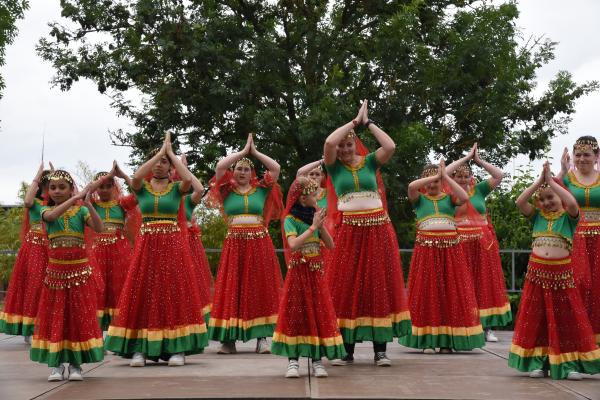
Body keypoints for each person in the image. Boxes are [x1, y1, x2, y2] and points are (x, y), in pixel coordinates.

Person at [105, 132, 208, 367]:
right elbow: (137, 175)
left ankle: (177, 349)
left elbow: (194, 184)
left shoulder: (176, 190)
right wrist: (160, 153)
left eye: (164, 163)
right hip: (148, 246)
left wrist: (171, 154)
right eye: (157, 162)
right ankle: (140, 349)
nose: (160, 165)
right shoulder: (141, 189)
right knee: (144, 290)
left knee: (173, 291)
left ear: (171, 168)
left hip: (173, 245)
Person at [323, 100, 410, 366]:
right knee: (347, 286)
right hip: (349, 230)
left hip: (377, 229)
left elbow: (391, 146)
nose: (345, 149)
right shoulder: (334, 166)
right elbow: (328, 143)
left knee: (377, 285)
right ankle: (346, 349)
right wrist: (352, 122)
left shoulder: (371, 162)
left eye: (349, 144)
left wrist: (368, 123)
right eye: (342, 146)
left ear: (356, 144)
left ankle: (380, 350)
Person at [509, 161, 600, 380]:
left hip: (562, 277)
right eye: (542, 199)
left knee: (566, 320)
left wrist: (552, 182)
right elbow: (520, 201)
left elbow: (571, 202)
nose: (547, 202)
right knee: (538, 320)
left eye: (551, 197)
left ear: (560, 196)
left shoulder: (569, 219)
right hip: (537, 277)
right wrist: (540, 182)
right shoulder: (538, 217)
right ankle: (539, 363)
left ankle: (568, 365)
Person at [207, 134, 283, 354]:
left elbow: (276, 169)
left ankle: (262, 338)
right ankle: (228, 341)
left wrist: (255, 152)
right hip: (234, 244)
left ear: (252, 173)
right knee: (233, 288)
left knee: (260, 287)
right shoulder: (225, 190)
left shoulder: (261, 189)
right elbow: (220, 168)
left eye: (246, 169)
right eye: (239, 168)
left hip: (259, 243)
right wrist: (242, 152)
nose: (242, 172)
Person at [401, 160, 485, 353]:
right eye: (429, 181)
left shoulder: (449, 199)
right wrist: (436, 175)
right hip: (427, 251)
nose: (432, 185)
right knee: (428, 292)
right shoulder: (420, 199)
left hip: (450, 252)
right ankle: (428, 342)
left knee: (450, 293)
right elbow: (412, 187)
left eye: (436, 182)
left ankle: (448, 341)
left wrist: (446, 176)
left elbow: (464, 196)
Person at [30, 170, 105, 381]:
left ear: (71, 188)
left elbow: (99, 228)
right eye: (53, 188)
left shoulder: (81, 213)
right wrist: (75, 198)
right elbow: (53, 216)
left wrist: (88, 203)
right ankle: (56, 366)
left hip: (79, 274)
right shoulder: (44, 210)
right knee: (56, 319)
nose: (57, 191)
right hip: (55, 275)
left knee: (77, 319)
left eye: (62, 187)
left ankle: (75, 365)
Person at [271, 176, 345, 378]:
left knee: (318, 313)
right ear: (303, 198)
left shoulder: (316, 217)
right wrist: (312, 227)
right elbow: (293, 245)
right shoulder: (290, 219)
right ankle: (293, 362)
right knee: (295, 314)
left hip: (315, 272)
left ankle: (317, 361)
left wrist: (320, 226)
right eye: (314, 195)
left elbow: (330, 245)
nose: (317, 198)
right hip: (298, 272)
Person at [446, 144, 512, 342]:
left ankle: (487, 328)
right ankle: (465, 325)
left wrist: (479, 161)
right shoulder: (449, 194)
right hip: (459, 243)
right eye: (459, 176)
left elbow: (499, 175)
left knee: (484, 283)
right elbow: (444, 172)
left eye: (466, 176)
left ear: (471, 178)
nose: (463, 179)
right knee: (462, 284)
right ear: (454, 179)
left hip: (482, 245)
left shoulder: (479, 190)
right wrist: (465, 158)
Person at [0, 164, 51, 342]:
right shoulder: (35, 203)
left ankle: (47, 325)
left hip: (53, 247)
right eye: (46, 182)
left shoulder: (56, 204)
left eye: (51, 182)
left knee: (50, 285)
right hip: (35, 247)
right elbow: (27, 201)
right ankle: (30, 328)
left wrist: (58, 176)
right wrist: (38, 175)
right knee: (34, 284)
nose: (48, 185)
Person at [88, 161, 139, 331]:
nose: (104, 189)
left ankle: (117, 330)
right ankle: (97, 331)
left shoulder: (121, 204)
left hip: (120, 252)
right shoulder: (91, 205)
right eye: (101, 186)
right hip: (97, 252)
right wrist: (107, 176)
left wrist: (123, 175)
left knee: (119, 288)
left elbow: (139, 193)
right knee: (98, 288)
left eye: (109, 186)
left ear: (114, 187)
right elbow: (83, 196)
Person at [559, 136, 600, 345]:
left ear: (596, 156)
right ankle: (576, 338)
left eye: (587, 154)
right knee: (577, 285)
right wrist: (562, 171)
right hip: (574, 239)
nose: (582, 159)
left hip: (599, 240)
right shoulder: (567, 179)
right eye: (578, 155)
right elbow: (550, 192)